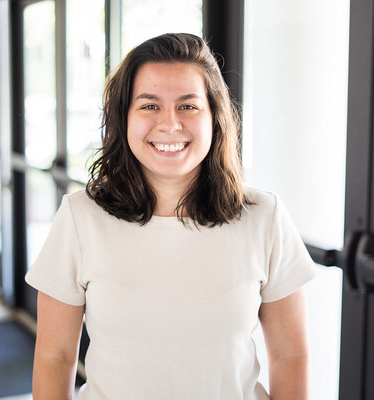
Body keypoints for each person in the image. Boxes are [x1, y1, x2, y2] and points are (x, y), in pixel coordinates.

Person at [26, 33, 316, 400]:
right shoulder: (80, 217)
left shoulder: (264, 217)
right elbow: (55, 356)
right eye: (149, 106)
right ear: (124, 117)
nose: (169, 124)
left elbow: (291, 356)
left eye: (188, 106)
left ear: (215, 117)